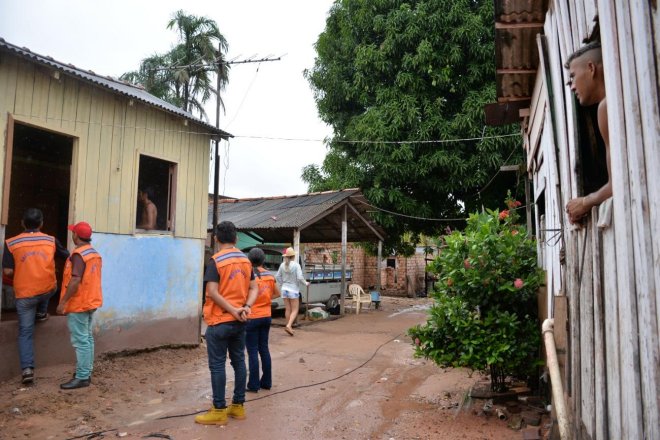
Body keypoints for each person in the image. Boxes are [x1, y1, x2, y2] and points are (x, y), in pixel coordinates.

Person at [196, 221, 258, 425]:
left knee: (217, 365)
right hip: (240, 320)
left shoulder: (216, 261)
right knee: (239, 361)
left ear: (216, 239)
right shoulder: (246, 261)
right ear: (236, 239)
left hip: (220, 320)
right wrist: (246, 307)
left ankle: (219, 410)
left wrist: (232, 309)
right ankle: (238, 407)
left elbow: (212, 292)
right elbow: (253, 288)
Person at [3, 208, 69, 384]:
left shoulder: (11, 243)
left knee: (25, 332)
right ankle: (41, 312)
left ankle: (27, 370)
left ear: (22, 223)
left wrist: (23, 271)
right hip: (48, 290)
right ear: (41, 224)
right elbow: (68, 257)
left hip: (25, 295)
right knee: (49, 285)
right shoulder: (51, 240)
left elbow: (8, 271)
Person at [564, 42, 611, 224]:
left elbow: (618, 183)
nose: (572, 86)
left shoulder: (606, 107)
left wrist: (584, 202)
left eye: (573, 77)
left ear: (591, 68)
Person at [57, 221, 103, 390]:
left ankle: (83, 377)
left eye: (73, 232)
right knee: (87, 338)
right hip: (91, 301)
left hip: (79, 303)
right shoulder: (93, 253)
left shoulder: (78, 255)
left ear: (75, 235)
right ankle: (86, 371)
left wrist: (63, 302)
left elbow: (75, 280)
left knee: (81, 340)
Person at [245, 247, 281, 393]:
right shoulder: (270, 276)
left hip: (252, 317)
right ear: (263, 260)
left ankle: (253, 385)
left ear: (249, 260)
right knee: (264, 349)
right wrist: (265, 299)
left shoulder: (248, 276)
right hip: (266, 316)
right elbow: (277, 293)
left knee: (252, 351)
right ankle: (266, 382)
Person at [275, 247, 309, 336]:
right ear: (293, 256)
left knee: (288, 309)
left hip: (284, 289)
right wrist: (306, 283)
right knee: (295, 309)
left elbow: (277, 276)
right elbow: (299, 277)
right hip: (293, 290)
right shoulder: (296, 265)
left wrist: (282, 284)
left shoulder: (282, 265)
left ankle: (288, 326)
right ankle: (289, 325)